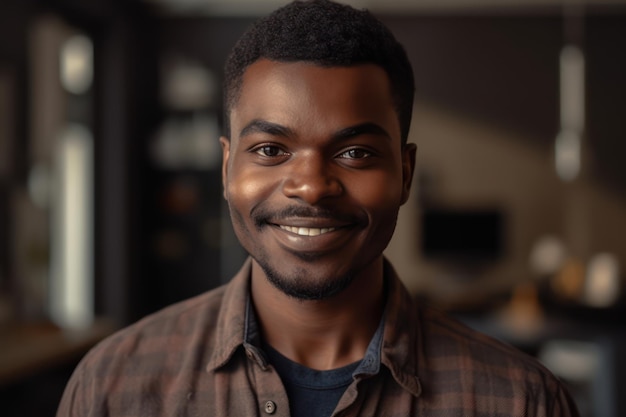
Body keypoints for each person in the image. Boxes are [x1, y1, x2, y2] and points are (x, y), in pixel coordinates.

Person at [57, 1, 580, 416]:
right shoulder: (113, 386)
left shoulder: (521, 401)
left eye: (355, 152)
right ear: (225, 168)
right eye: (270, 150)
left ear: (404, 173)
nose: (310, 187)